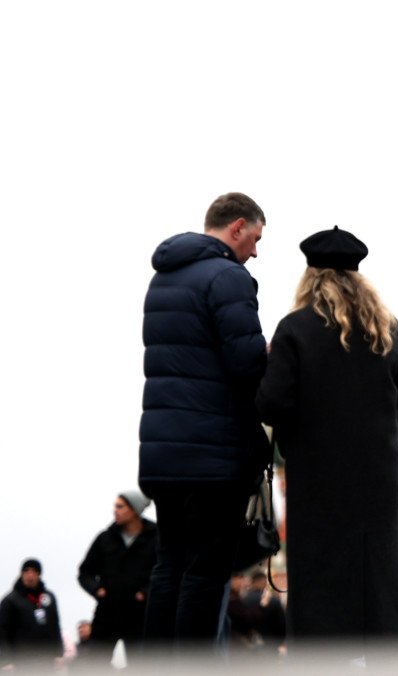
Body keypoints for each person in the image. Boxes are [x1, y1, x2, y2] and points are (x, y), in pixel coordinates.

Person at [256, 226, 398, 663]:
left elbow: (271, 402)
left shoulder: (296, 329)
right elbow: (397, 395)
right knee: (377, 580)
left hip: (318, 482)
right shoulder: (387, 330)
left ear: (312, 276)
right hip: (377, 482)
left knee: (321, 586)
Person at [138, 192, 270, 655]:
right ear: (237, 227)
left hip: (162, 452)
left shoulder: (164, 277)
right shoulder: (229, 277)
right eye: (254, 238)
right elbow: (245, 363)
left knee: (168, 565)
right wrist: (269, 354)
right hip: (212, 455)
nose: (255, 250)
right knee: (205, 571)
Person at [77, 490, 158, 663]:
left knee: (142, 666)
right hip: (107, 613)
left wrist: (145, 593)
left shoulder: (156, 538)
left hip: (140, 615)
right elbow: (85, 573)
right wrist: (97, 590)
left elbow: (165, 573)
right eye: (115, 506)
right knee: (96, 665)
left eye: (120, 506)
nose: (115, 510)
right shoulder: (105, 538)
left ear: (134, 510)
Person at [0, 559, 64, 670]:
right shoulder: (10, 600)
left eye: (34, 572)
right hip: (21, 661)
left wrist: (59, 653)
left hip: (47, 660)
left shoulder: (49, 598)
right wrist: (5, 660)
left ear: (39, 574)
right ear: (22, 574)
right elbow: (2, 632)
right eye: (26, 571)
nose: (30, 575)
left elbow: (55, 626)